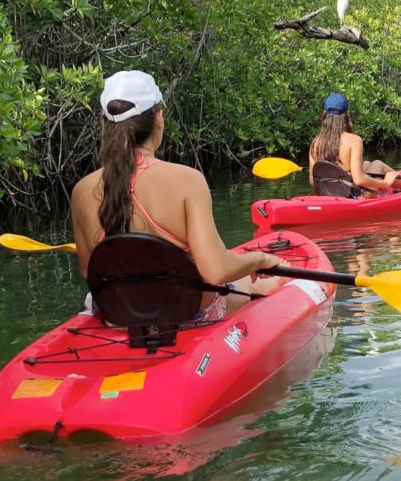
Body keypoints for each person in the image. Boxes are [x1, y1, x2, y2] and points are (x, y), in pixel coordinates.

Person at [71, 69, 289, 323]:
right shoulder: (188, 180)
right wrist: (260, 259)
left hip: (119, 318)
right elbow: (216, 271)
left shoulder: (82, 190)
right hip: (185, 316)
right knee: (239, 277)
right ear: (159, 118)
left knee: (236, 273)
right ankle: (262, 290)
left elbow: (90, 270)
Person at [309, 92, 401, 197]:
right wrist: (385, 183)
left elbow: (313, 181)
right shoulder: (354, 140)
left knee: (367, 164)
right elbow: (359, 179)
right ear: (346, 115)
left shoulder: (315, 143)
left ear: (325, 115)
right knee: (378, 164)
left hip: (327, 195)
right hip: (355, 197)